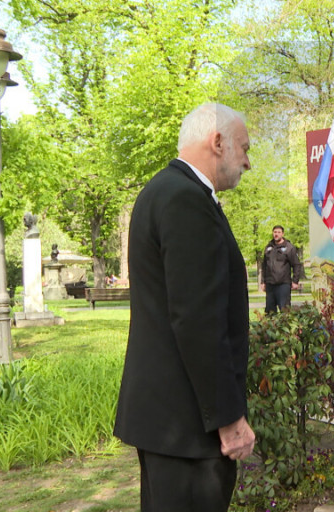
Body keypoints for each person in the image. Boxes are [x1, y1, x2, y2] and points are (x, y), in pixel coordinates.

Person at [114, 103, 256, 512]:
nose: (247, 162)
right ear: (217, 142)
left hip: (171, 423)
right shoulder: (186, 200)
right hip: (190, 428)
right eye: (244, 148)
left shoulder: (163, 191)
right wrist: (229, 420)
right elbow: (197, 321)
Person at [259, 225, 303, 313]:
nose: (276, 234)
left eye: (279, 232)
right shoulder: (268, 247)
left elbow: (296, 265)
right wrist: (263, 282)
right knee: (270, 312)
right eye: (275, 232)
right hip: (270, 284)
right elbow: (264, 266)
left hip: (283, 284)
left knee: (285, 311)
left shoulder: (289, 247)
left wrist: (295, 281)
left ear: (282, 234)